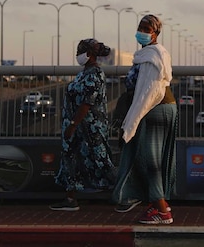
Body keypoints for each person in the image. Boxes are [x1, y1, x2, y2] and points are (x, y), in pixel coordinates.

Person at [112, 14, 177, 224]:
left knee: (151, 161)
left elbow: (148, 93)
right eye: (140, 27)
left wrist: (131, 123)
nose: (142, 31)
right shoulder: (154, 53)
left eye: (147, 28)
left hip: (155, 109)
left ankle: (163, 211)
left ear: (155, 33)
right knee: (151, 157)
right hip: (162, 108)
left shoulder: (151, 57)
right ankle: (155, 203)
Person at [51, 38, 116, 211]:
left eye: (80, 52)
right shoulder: (83, 73)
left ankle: (123, 193)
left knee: (100, 159)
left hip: (90, 127)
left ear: (89, 54)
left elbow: (87, 103)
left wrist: (73, 124)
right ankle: (71, 198)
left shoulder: (95, 74)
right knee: (70, 158)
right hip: (74, 126)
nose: (77, 55)